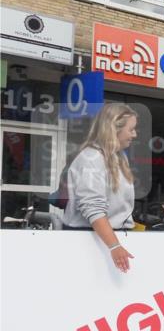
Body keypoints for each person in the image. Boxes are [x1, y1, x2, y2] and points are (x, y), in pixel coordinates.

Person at [61, 103, 139, 274]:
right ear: (114, 129)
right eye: (131, 129)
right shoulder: (91, 158)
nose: (134, 134)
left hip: (109, 239)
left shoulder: (119, 158)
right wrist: (115, 246)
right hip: (88, 241)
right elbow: (93, 208)